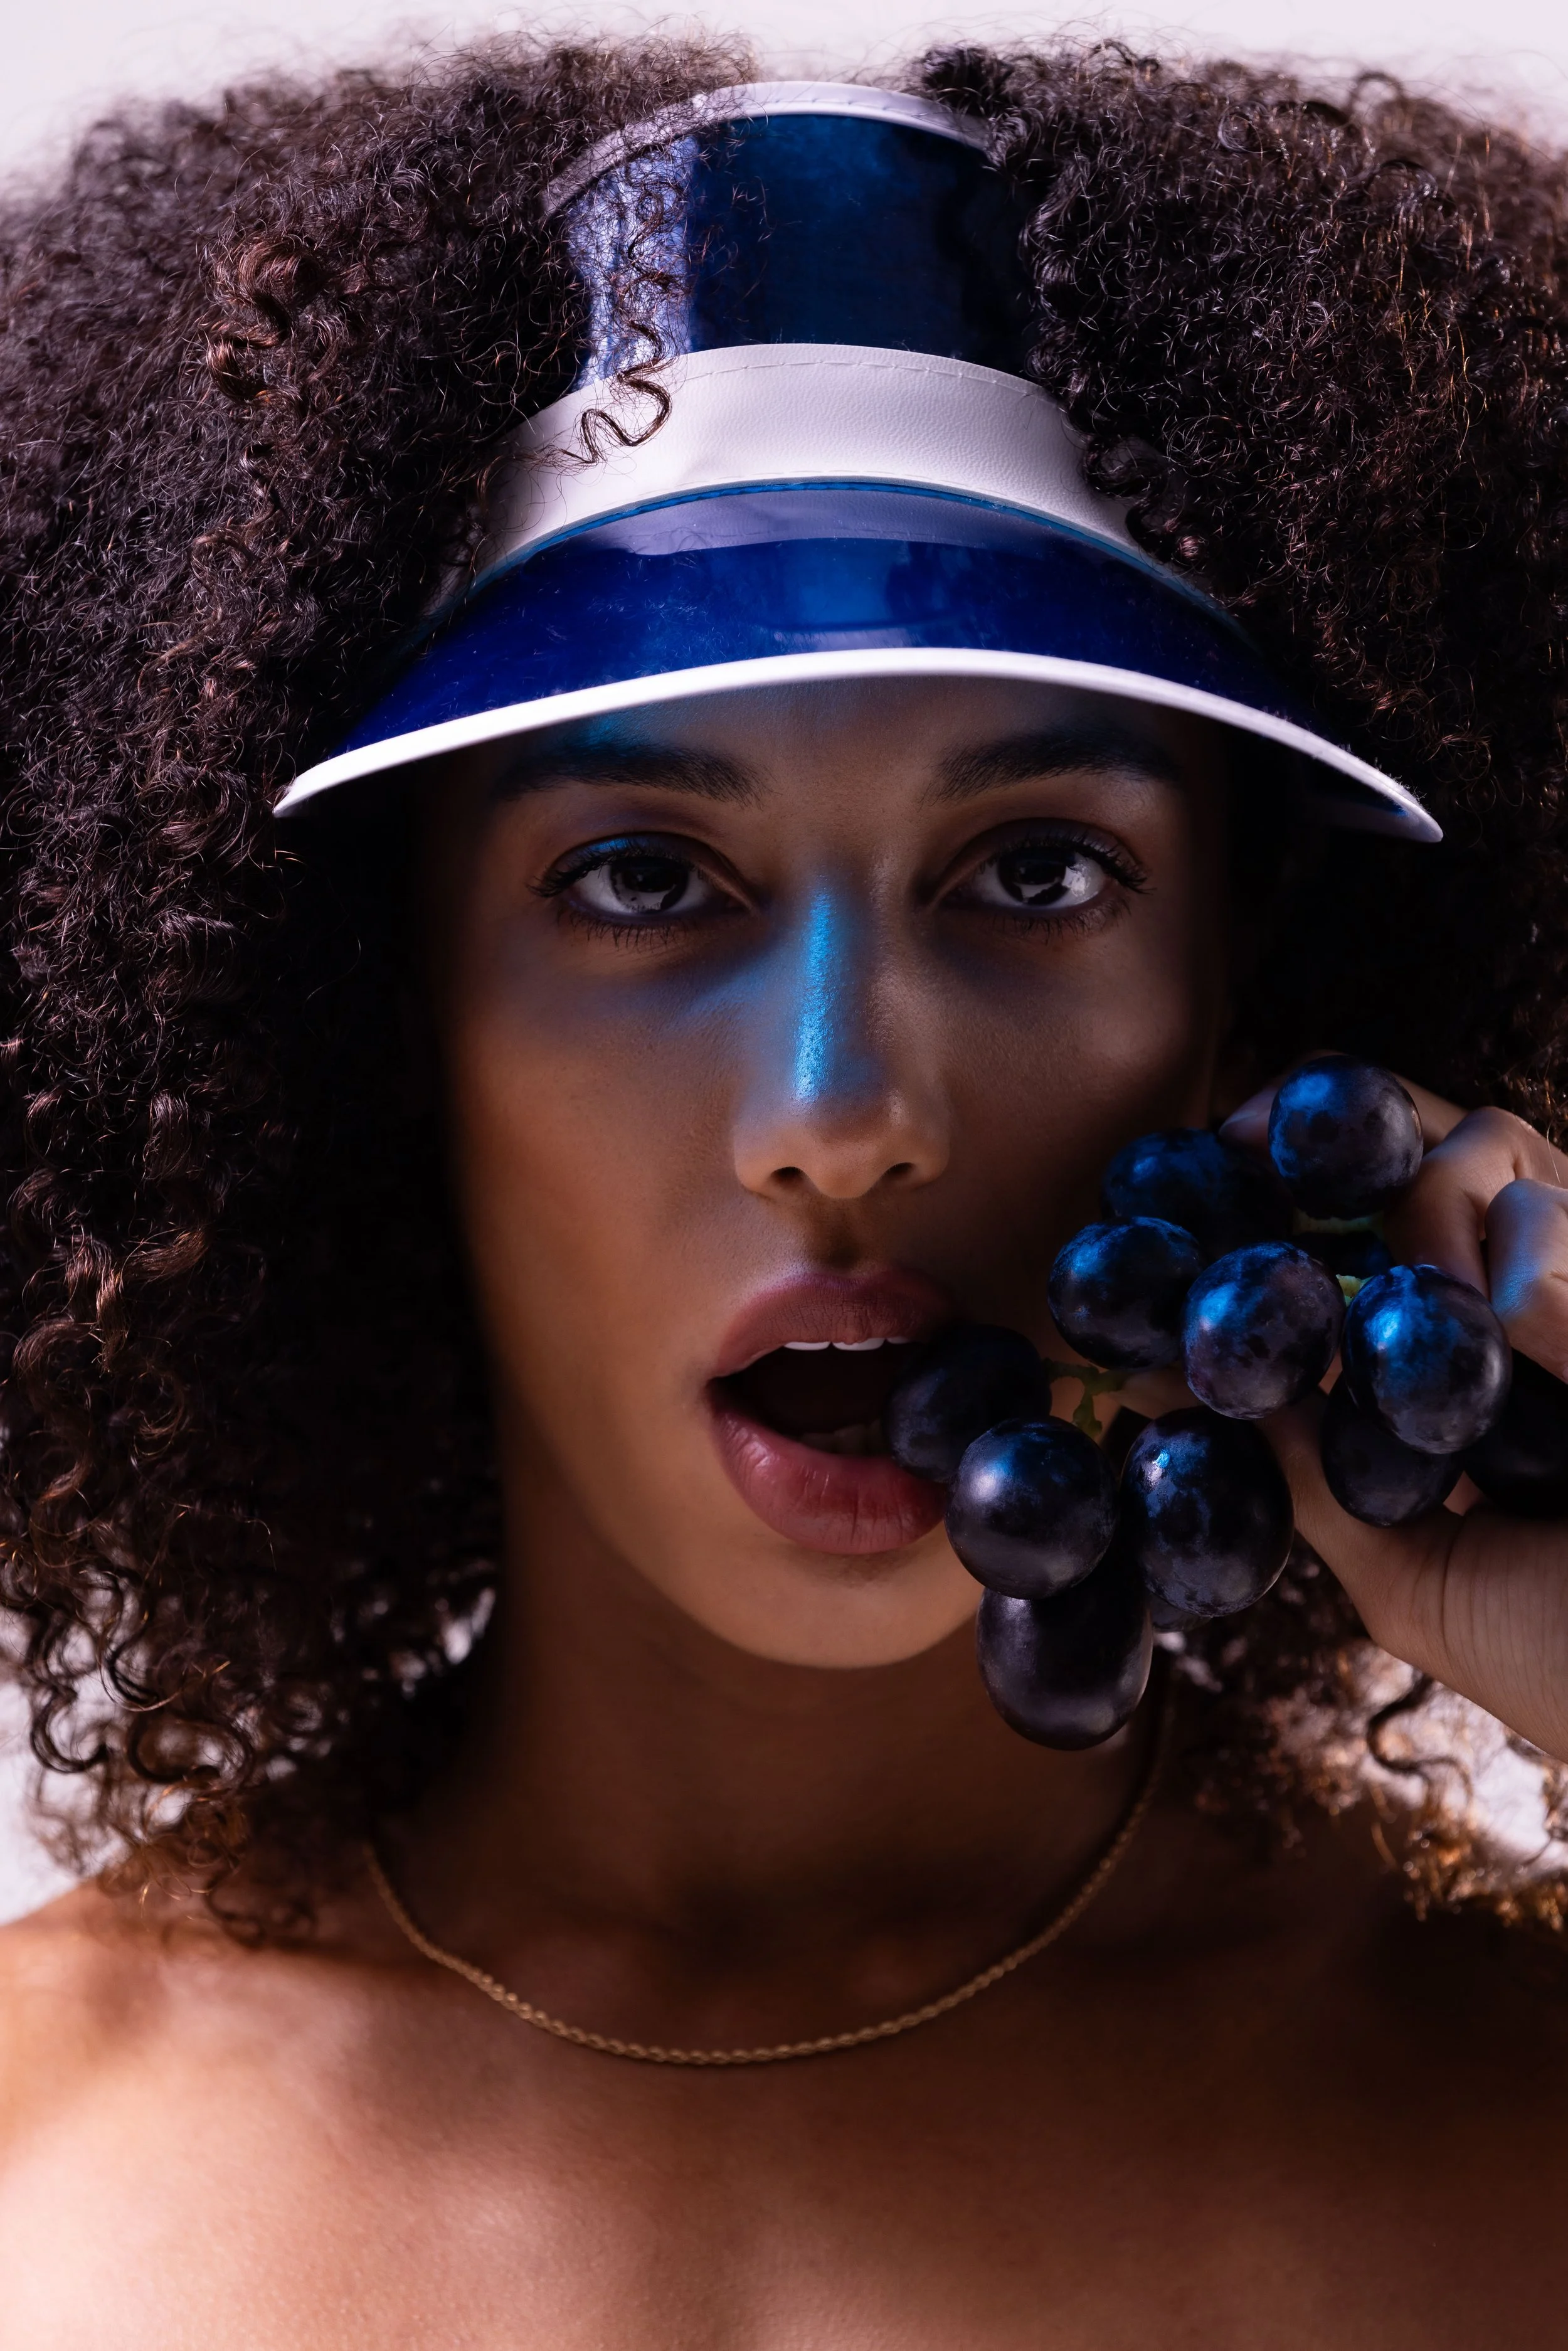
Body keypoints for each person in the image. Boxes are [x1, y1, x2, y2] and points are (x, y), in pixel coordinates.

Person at [1, 41, 1567, 2347]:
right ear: (369, 1020)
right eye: (643, 878)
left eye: (1034, 869)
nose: (842, 1116)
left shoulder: (1520, 2120)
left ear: (1241, 995)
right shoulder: (43, 2168)